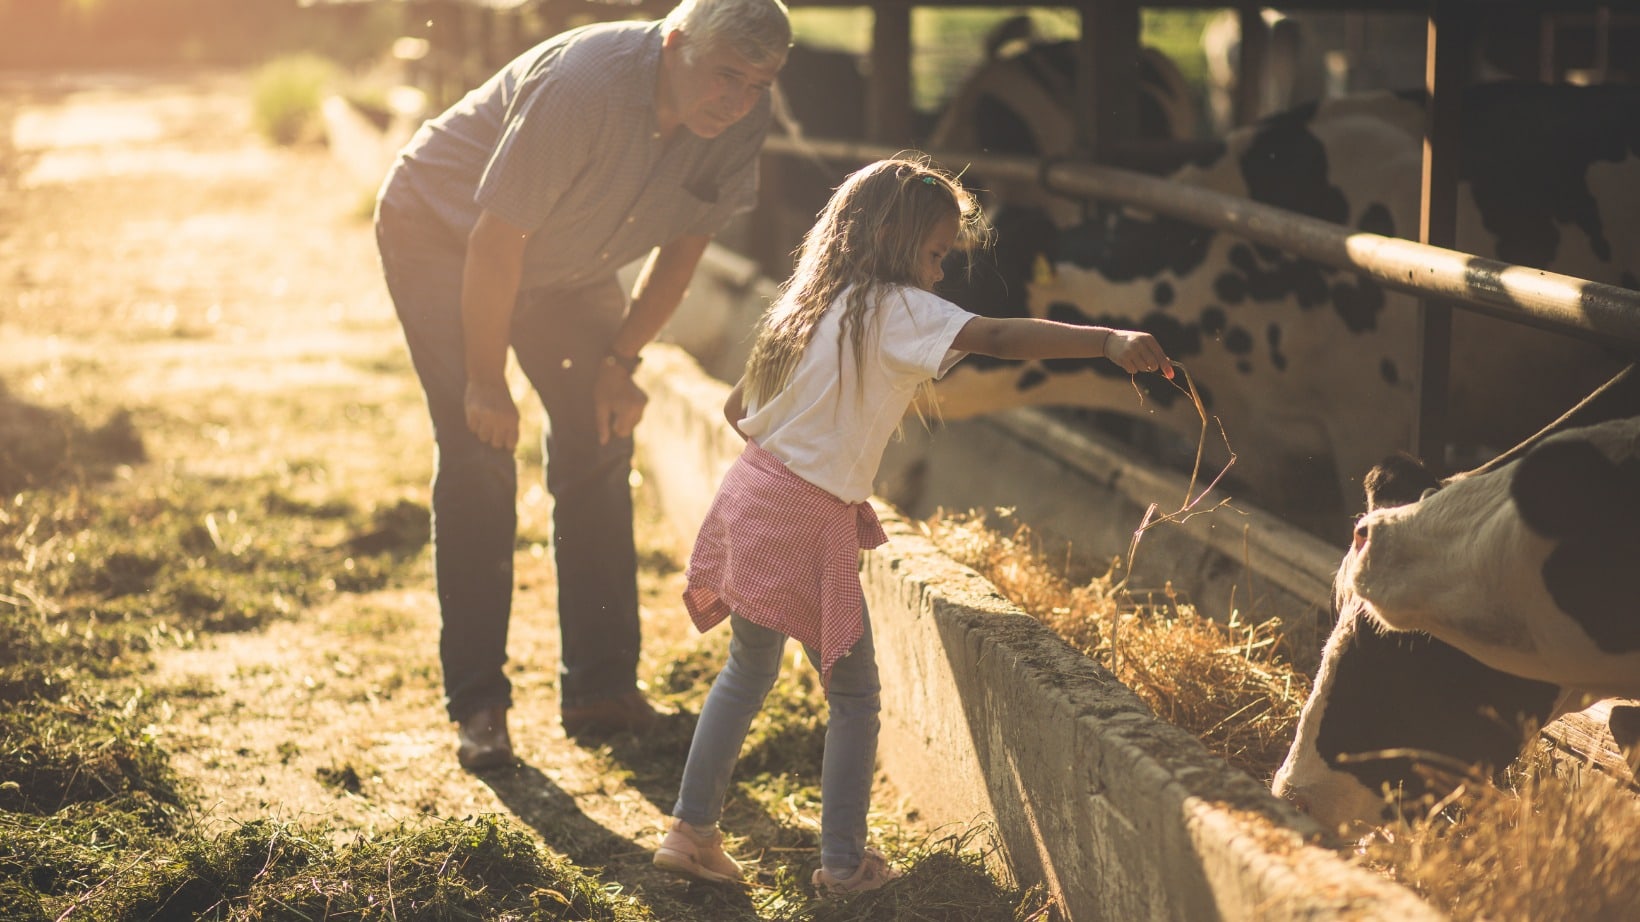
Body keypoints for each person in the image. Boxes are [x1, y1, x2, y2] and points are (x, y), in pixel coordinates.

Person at [651, 157, 1173, 893]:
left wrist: (806, 438)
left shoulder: (808, 300)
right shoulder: (893, 306)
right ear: (894, 239)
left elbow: (736, 408)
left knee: (747, 670)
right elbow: (997, 337)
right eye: (935, 255)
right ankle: (842, 864)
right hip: (804, 510)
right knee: (856, 694)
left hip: (751, 491)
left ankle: (688, 831)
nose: (937, 275)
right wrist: (1106, 342)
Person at [373, 0, 793, 771]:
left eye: (758, 82)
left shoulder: (740, 116)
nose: (737, 100)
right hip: (446, 236)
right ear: (674, 43)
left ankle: (599, 689)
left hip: (567, 262)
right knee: (478, 451)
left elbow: (682, 253)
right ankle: (479, 705)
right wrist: (485, 380)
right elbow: (495, 243)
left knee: (602, 431)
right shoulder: (585, 87)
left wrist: (620, 362)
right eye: (725, 76)